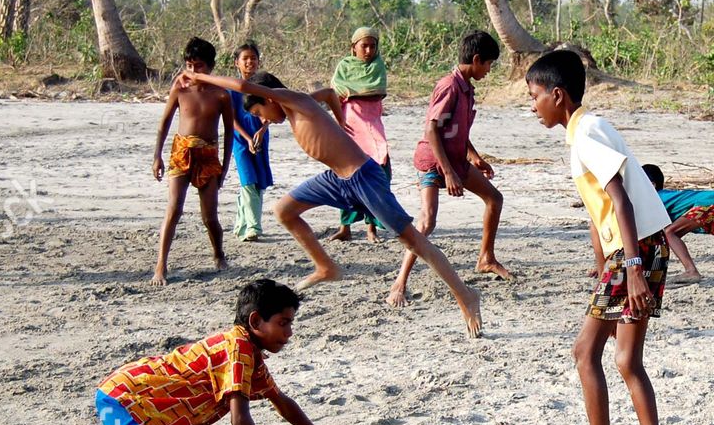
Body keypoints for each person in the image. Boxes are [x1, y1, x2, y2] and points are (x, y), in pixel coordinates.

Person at [177, 68, 484, 337]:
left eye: (259, 113)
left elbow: (243, 87)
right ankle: (326, 266)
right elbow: (328, 93)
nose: (261, 120)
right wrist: (338, 118)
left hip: (364, 178)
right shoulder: (297, 105)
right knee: (284, 210)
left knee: (414, 242)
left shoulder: (293, 99)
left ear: (269, 97)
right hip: (337, 180)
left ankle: (465, 295)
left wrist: (198, 77)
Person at [54, 279, 350, 425]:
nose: (289, 333)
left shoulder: (249, 351)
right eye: (283, 323)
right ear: (256, 321)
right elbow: (240, 420)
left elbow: (281, 401)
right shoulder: (239, 350)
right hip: (125, 398)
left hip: (155, 410)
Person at [527, 49, 673, 425]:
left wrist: (628, 267)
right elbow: (601, 210)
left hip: (636, 252)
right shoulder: (586, 130)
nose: (532, 106)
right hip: (641, 248)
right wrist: (605, 262)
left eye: (534, 96)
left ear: (558, 94)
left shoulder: (587, 131)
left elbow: (621, 199)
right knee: (627, 361)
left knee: (585, 352)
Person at [388, 30, 511, 308]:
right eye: (489, 64)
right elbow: (432, 128)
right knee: (427, 221)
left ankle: (486, 259)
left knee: (494, 198)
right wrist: (448, 172)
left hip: (456, 159)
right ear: (476, 59)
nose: (490, 70)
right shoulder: (449, 86)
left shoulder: (467, 89)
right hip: (434, 161)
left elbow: (458, 130)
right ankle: (400, 281)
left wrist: (475, 157)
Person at [152, 37, 233, 285]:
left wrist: (224, 168)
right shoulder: (180, 87)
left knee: (209, 217)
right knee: (173, 210)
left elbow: (229, 132)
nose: (193, 71)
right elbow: (165, 122)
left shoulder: (221, 94)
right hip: (181, 153)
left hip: (208, 156)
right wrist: (156, 156)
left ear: (210, 66)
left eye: (198, 66)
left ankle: (218, 253)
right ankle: (160, 266)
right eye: (189, 65)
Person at [326, 27, 391, 243]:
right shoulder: (344, 67)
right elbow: (335, 92)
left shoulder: (378, 66)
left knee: (376, 173)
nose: (369, 50)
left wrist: (350, 92)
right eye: (364, 46)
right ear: (353, 47)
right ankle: (345, 227)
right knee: (346, 175)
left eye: (373, 46)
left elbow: (377, 91)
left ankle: (371, 227)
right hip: (349, 127)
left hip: (372, 128)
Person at [229, 42, 277, 242]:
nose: (250, 62)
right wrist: (247, 138)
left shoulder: (264, 86)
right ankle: (253, 227)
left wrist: (262, 129)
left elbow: (273, 112)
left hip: (260, 138)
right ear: (237, 63)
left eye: (253, 58)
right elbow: (231, 118)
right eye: (245, 59)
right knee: (247, 180)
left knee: (258, 182)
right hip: (240, 141)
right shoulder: (232, 89)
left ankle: (241, 224)